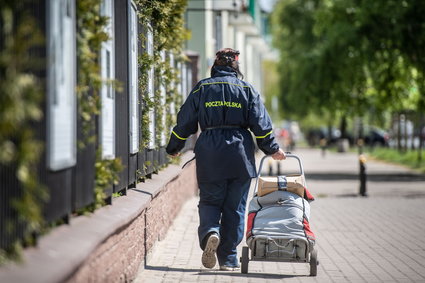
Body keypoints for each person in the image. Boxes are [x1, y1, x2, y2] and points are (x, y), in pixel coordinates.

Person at [166, 48, 286, 271]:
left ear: (216, 64)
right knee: (235, 208)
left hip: (210, 154)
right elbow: (261, 125)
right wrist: (273, 149)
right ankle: (229, 260)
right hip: (239, 156)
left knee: (210, 201)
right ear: (235, 66)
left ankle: (211, 232)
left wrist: (174, 146)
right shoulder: (247, 89)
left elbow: (185, 121)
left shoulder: (202, 87)